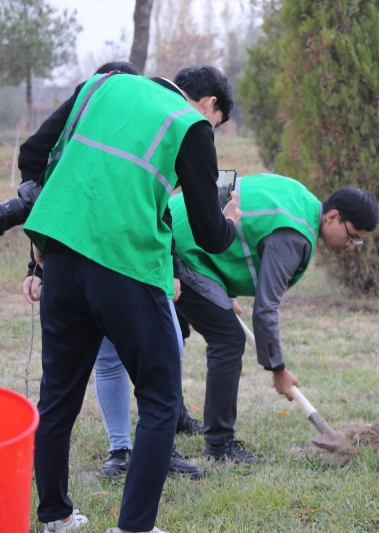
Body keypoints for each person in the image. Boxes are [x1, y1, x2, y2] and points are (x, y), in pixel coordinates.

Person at [24, 65, 242, 533]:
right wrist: (229, 221)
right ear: (208, 105)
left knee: (57, 395)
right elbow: (207, 231)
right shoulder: (190, 125)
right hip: (124, 264)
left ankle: (56, 516)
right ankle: (134, 527)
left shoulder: (103, 84)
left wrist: (36, 249)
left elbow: (32, 153)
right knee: (161, 399)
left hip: (61, 255)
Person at [171, 174, 379, 462]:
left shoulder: (301, 200)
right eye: (353, 236)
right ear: (332, 217)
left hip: (181, 225)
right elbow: (265, 309)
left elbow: (243, 231)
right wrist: (278, 370)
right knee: (228, 339)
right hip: (179, 243)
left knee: (178, 331)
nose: (350, 245)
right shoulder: (294, 235)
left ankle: (178, 419)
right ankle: (219, 447)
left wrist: (222, 290)